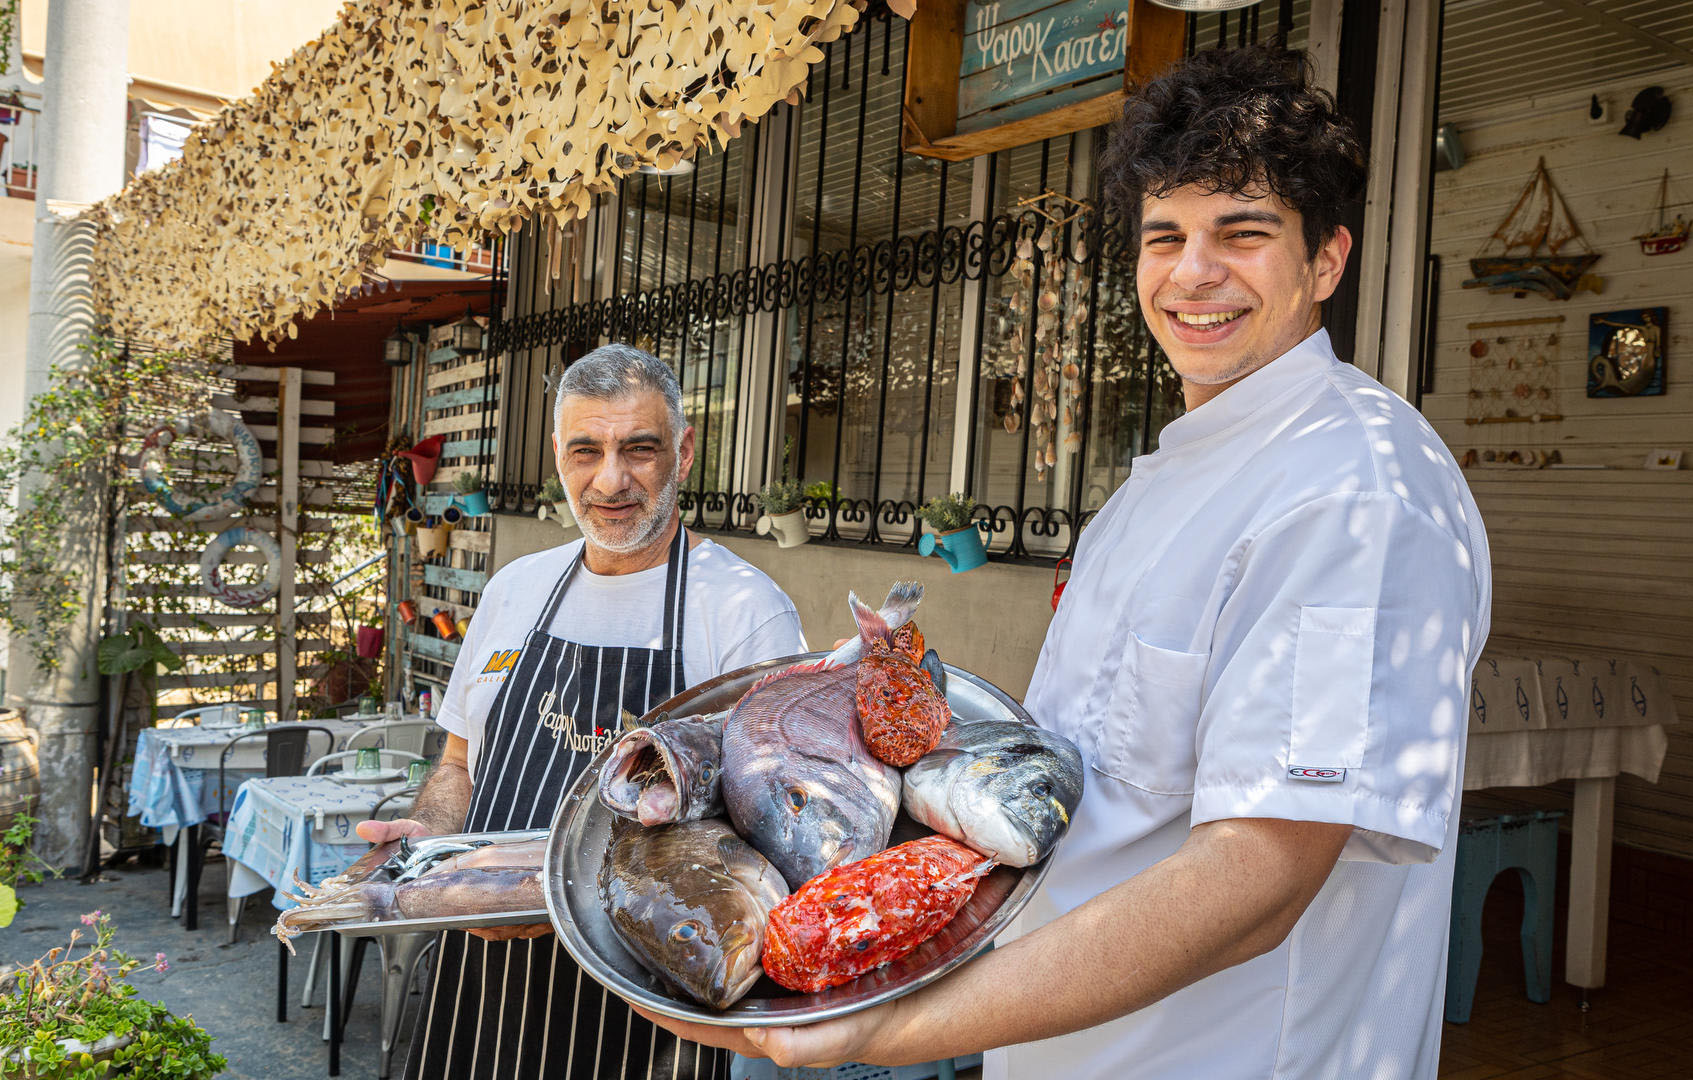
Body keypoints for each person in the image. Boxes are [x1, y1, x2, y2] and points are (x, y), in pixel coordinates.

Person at [641, 46, 1491, 1079]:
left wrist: (889, 1030)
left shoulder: (1352, 490)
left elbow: (1259, 879)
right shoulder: (1167, 479)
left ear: (1327, 261)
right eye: (1165, 236)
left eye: (1244, 233)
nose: (1194, 273)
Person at [353, 344, 807, 1080]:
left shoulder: (743, 611)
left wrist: (563, 895)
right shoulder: (514, 590)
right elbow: (459, 762)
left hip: (648, 996)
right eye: (586, 451)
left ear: (685, 452)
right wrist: (430, 833)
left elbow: (769, 831)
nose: (611, 479)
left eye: (640, 449)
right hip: (480, 978)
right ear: (559, 455)